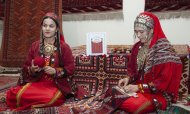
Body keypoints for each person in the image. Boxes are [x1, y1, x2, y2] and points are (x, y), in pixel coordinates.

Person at [6, 12, 75, 110]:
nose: (47, 28)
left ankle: (31, 103)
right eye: (45, 25)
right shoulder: (35, 46)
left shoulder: (64, 47)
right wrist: (32, 69)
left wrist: (55, 71)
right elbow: (26, 66)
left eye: (51, 26)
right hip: (37, 82)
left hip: (55, 85)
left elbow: (71, 68)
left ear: (57, 29)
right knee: (14, 95)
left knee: (50, 99)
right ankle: (32, 102)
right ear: (41, 27)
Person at [117, 12, 182, 113]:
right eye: (136, 31)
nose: (138, 35)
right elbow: (134, 71)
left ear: (152, 30)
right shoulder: (137, 47)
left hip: (159, 94)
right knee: (111, 93)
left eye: (141, 32)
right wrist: (128, 78)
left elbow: (163, 83)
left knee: (132, 105)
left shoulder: (164, 50)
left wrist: (138, 87)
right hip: (138, 90)